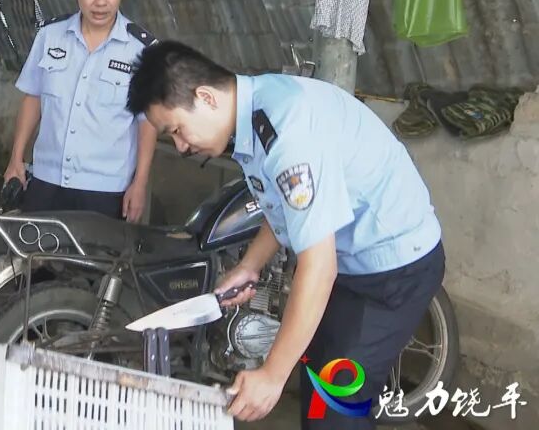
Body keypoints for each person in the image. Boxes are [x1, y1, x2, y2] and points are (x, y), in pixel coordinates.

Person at [126, 41, 445, 428]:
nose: (179, 145)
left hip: (391, 272)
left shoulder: (286, 130)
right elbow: (284, 207)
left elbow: (318, 266)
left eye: (176, 129)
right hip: (350, 264)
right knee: (318, 383)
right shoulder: (252, 115)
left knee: (334, 408)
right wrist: (250, 265)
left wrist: (272, 376)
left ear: (206, 97)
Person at [2, 0, 157, 222]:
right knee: (37, 264)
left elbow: (147, 121)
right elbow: (33, 98)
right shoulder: (50, 37)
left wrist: (140, 183)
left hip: (107, 191)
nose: (101, 1)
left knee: (99, 265)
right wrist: (16, 159)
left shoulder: (140, 50)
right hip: (46, 181)